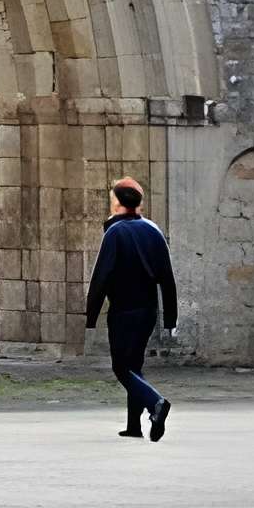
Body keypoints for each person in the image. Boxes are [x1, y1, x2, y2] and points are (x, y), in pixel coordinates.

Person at [84, 178, 179, 441]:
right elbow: (167, 277)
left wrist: (90, 316)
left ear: (117, 202)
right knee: (134, 365)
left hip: (124, 311)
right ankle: (134, 426)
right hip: (148, 311)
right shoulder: (153, 230)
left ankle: (156, 403)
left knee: (121, 367)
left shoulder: (115, 233)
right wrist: (170, 317)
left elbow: (101, 277)